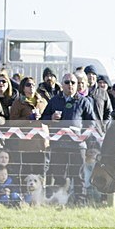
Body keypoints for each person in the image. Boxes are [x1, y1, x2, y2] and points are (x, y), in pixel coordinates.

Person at [41, 71, 96, 204]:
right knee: (58, 174)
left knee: (78, 175)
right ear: (62, 84)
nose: (70, 85)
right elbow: (43, 119)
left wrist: (83, 136)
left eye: (73, 82)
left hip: (77, 145)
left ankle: (80, 201)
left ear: (77, 85)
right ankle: (60, 200)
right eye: (67, 82)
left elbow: (92, 123)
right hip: (58, 145)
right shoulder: (54, 100)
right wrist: (51, 118)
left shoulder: (84, 101)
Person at [9, 77, 49, 179]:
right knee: (26, 174)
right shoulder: (18, 102)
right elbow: (12, 122)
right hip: (26, 144)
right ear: (23, 88)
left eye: (33, 85)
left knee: (41, 174)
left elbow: (48, 118)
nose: (31, 87)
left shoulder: (43, 101)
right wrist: (28, 118)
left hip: (42, 143)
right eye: (28, 85)